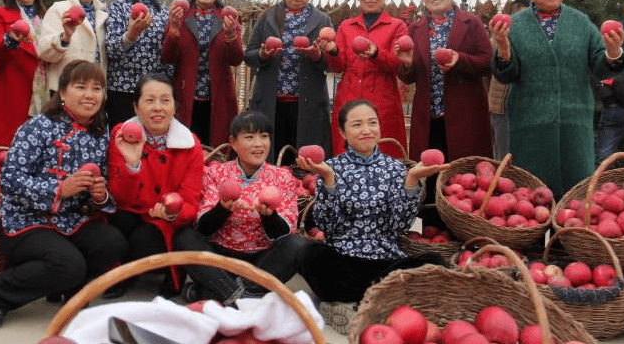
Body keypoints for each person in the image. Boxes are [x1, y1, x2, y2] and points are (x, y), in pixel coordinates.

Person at [0, 60, 127, 328]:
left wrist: (99, 195)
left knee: (112, 243)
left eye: (97, 88)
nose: (89, 95)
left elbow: (99, 196)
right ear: (62, 93)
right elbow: (9, 179)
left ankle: (70, 290)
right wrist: (60, 189)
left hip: (68, 221)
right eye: (80, 87)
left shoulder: (99, 135)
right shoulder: (37, 127)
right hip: (24, 221)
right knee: (68, 264)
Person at [295, 99, 443, 334]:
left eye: (372, 123)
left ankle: (352, 303)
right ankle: (380, 299)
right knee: (309, 254)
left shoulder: (395, 169)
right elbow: (326, 225)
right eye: (357, 125)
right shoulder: (331, 167)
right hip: (344, 260)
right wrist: (329, 180)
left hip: (385, 261)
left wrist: (412, 181)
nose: (366, 130)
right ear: (343, 131)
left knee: (435, 263)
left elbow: (401, 225)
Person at [492, 0, 624, 199]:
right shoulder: (518, 26)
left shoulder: (580, 22)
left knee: (574, 201)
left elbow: (602, 65)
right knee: (530, 203)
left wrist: (613, 51)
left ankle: (569, 237)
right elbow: (507, 74)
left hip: (574, 125)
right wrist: (503, 49)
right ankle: (531, 238)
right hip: (530, 127)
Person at [173, 110, 307, 305]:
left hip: (261, 262)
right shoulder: (216, 172)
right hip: (221, 259)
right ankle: (245, 296)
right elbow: (203, 228)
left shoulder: (283, 177)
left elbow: (284, 232)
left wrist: (268, 216)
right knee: (184, 237)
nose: (259, 144)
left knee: (296, 245)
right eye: (250, 137)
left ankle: (218, 293)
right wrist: (223, 209)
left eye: (264, 136)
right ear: (234, 142)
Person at [106, 72, 204, 296]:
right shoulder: (121, 136)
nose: (157, 107)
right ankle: (121, 274)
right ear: (136, 107)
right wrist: (132, 164)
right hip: (130, 211)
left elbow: (190, 201)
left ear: (174, 107)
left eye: (165, 100)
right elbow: (119, 197)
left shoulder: (191, 145)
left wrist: (171, 213)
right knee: (116, 228)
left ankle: (129, 272)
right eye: (149, 100)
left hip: (164, 221)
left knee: (144, 240)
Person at [397, 0, 492, 164]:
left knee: (464, 175)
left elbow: (488, 63)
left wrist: (460, 59)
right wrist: (407, 63)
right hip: (428, 117)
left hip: (464, 113)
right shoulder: (415, 29)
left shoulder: (471, 23)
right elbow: (408, 77)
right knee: (429, 173)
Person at [244, 0, 334, 164]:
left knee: (304, 160)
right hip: (270, 102)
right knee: (272, 155)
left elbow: (332, 63)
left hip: (307, 103)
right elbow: (249, 55)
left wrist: (318, 56)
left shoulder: (322, 21)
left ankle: (303, 193)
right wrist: (262, 54)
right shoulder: (267, 17)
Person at [321, 0, 408, 158]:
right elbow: (338, 67)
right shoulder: (346, 26)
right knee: (346, 153)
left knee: (383, 152)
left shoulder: (396, 26)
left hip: (382, 102)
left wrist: (377, 53)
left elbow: (398, 65)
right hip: (349, 97)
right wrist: (333, 50)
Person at [162, 0, 244, 147]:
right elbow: (168, 57)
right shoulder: (180, 15)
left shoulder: (227, 17)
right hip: (185, 94)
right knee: (185, 146)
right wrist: (174, 30)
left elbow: (236, 59)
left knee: (217, 148)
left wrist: (231, 36)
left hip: (218, 95)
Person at [105, 0, 173, 126]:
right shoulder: (118, 7)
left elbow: (169, 56)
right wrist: (131, 35)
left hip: (153, 92)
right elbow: (111, 50)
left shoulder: (164, 13)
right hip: (122, 89)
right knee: (123, 140)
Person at [0, 0, 47, 147]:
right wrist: (9, 39)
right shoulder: (0, 14)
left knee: (37, 143)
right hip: (10, 90)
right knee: (5, 146)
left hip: (42, 89)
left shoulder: (48, 15)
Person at [37, 0, 107, 96]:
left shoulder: (104, 16)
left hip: (94, 90)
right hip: (65, 88)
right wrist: (65, 37)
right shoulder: (59, 9)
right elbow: (44, 51)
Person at [594, 0, 624, 162]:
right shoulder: (614, 34)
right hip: (616, 110)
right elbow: (596, 67)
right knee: (603, 161)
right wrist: (608, 98)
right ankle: (594, 190)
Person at [488, 0, 530, 159]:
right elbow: (490, 65)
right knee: (504, 156)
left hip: (529, 109)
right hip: (502, 109)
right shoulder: (497, 40)